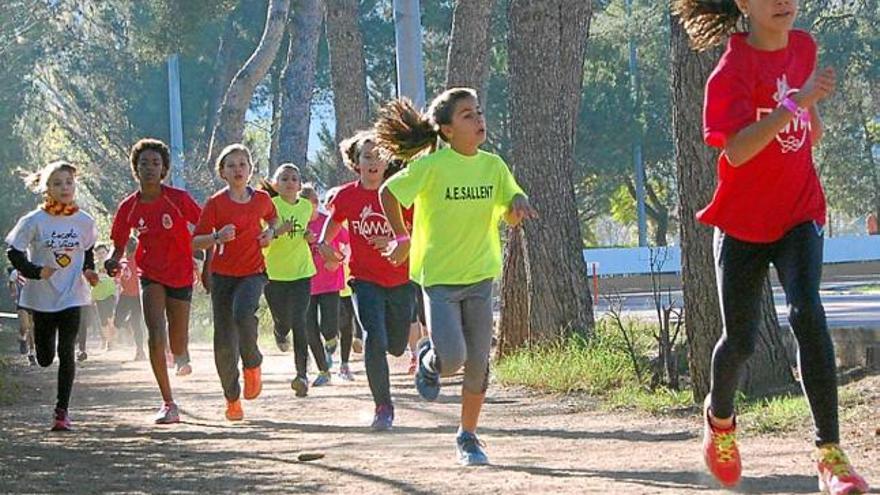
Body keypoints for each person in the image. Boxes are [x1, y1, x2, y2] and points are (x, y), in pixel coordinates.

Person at [673, 1, 870, 493]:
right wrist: (795, 104)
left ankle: (830, 454)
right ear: (742, 4)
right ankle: (720, 423)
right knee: (739, 339)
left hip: (800, 211)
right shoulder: (730, 70)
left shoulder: (803, 47)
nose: (783, 1)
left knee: (808, 312)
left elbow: (810, 125)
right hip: (741, 223)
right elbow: (736, 150)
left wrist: (808, 114)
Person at [375, 87, 535, 461]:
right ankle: (429, 358)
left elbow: (510, 206)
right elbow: (388, 193)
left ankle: (468, 436)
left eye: (479, 112)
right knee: (453, 360)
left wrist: (518, 205)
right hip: (441, 279)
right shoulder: (432, 167)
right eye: (467, 115)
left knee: (479, 361)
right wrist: (402, 236)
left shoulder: (493, 165)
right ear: (447, 130)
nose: (478, 119)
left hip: (479, 277)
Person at [317, 131, 414, 430]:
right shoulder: (346, 196)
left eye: (380, 156)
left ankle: (415, 351)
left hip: (401, 279)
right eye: (367, 156)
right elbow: (329, 230)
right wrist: (325, 247)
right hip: (364, 280)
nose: (373, 162)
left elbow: (422, 231)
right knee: (374, 336)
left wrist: (398, 239)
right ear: (356, 163)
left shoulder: (402, 192)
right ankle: (383, 406)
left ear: (389, 162)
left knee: (397, 346)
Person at [106, 138, 202, 424]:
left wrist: (210, 255)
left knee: (178, 339)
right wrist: (112, 260)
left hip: (181, 272)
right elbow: (118, 244)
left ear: (164, 170)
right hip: (150, 275)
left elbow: (204, 223)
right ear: (135, 168)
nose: (149, 168)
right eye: (144, 163)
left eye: (155, 163)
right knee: (155, 332)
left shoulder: (178, 198)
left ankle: (181, 353)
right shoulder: (129, 207)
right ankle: (168, 402)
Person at [193, 143, 287, 421]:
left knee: (243, 312)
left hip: (253, 271)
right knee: (223, 342)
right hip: (222, 277)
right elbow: (195, 241)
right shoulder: (215, 203)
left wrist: (270, 233)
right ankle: (232, 399)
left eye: (242, 164)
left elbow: (274, 221)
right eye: (231, 165)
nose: (237, 169)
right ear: (222, 172)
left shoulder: (261, 200)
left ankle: (253, 363)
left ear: (250, 169)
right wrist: (217, 237)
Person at [5, 161, 98, 431]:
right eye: (57, 183)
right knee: (46, 357)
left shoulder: (84, 221)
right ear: (46, 188)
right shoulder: (34, 221)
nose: (64, 188)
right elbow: (13, 252)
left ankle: (61, 411)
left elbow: (88, 250)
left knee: (66, 350)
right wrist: (34, 271)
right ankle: (40, 350)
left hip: (73, 295)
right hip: (41, 298)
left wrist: (90, 271)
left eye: (68, 182)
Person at [260, 163, 317, 397]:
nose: (290, 182)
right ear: (276, 184)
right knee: (283, 321)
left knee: (300, 322)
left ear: (300, 184)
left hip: (302, 271)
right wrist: (275, 232)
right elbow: (262, 237)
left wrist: (308, 236)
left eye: (294, 178)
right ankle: (279, 331)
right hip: (274, 272)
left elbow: (306, 229)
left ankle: (302, 375)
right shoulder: (270, 206)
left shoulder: (305, 206)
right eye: (284, 179)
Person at [302, 185, 347, 388]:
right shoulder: (296, 224)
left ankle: (331, 339)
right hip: (304, 281)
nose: (309, 207)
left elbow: (347, 244)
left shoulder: (327, 221)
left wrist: (337, 260)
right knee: (309, 328)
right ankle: (323, 371)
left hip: (329, 281)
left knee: (328, 326)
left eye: (312, 203)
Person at [114, 238, 146, 361]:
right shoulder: (124, 263)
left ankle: (140, 350)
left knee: (135, 323)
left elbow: (117, 278)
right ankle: (128, 327)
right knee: (121, 321)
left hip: (135, 296)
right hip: (127, 296)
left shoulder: (137, 261)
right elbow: (118, 277)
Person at [91, 244, 118, 351]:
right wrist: (91, 296)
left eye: (103, 253)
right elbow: (91, 281)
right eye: (99, 253)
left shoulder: (111, 264)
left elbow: (117, 277)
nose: (101, 255)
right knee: (102, 320)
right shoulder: (94, 266)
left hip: (110, 294)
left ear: (107, 253)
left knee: (110, 318)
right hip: (98, 295)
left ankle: (111, 342)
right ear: (96, 254)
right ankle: (105, 340)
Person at [7, 266, 36, 365]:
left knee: (32, 327)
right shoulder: (16, 272)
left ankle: (32, 352)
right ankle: (23, 338)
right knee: (25, 325)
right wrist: (13, 292)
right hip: (22, 302)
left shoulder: (36, 269)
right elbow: (11, 282)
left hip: (34, 302)